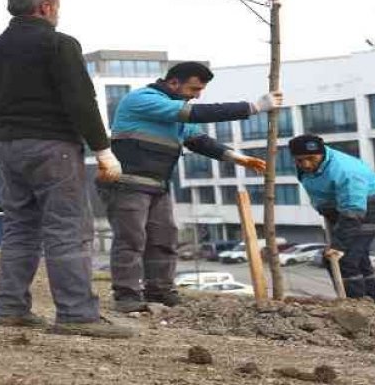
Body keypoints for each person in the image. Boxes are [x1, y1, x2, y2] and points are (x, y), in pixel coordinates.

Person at [0, 0, 132, 338]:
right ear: (45, 7)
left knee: (19, 228)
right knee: (67, 228)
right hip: (54, 147)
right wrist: (103, 150)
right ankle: (76, 315)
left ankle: (9, 309)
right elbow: (80, 100)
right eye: (57, 6)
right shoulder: (59, 44)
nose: (58, 13)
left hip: (7, 147)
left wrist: (4, 139)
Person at [99, 61, 282, 312]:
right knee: (131, 240)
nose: (196, 96)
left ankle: (160, 291)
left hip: (158, 186)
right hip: (128, 185)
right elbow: (194, 114)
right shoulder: (142, 99)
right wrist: (254, 108)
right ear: (173, 82)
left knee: (164, 239)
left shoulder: (175, 113)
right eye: (194, 89)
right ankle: (127, 296)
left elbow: (198, 140)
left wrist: (237, 158)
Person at [288, 134, 375, 302]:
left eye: (311, 158)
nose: (306, 164)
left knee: (342, 259)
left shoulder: (346, 171)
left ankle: (357, 304)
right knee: (359, 256)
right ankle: (372, 301)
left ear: (322, 153)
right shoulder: (308, 166)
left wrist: (338, 245)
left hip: (368, 208)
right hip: (339, 208)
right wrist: (326, 210)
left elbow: (353, 210)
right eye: (299, 160)